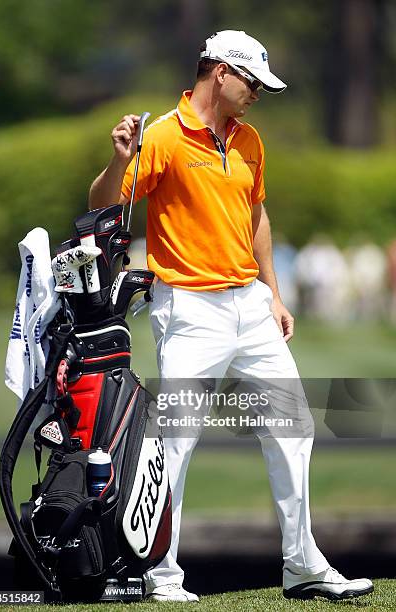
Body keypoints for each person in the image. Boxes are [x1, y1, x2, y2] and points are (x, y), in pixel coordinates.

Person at [89, 30, 373, 603]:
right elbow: (103, 207)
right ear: (220, 72)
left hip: (249, 303)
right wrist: (118, 161)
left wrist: (272, 291)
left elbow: (256, 215)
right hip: (189, 308)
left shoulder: (249, 140)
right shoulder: (164, 137)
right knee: (179, 438)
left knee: (294, 428)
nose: (258, 95)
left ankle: (302, 564)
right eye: (252, 83)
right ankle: (161, 573)